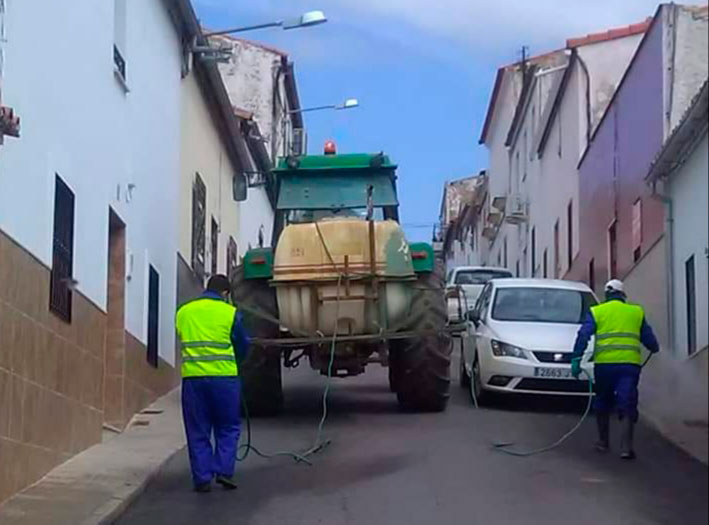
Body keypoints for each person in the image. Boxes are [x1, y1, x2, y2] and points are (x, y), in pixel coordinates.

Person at [175, 274, 250, 492]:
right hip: (224, 380)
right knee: (227, 426)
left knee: (197, 430)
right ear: (226, 293)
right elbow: (242, 344)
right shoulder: (230, 313)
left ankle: (202, 478)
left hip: (193, 381)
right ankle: (224, 471)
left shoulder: (184, 312)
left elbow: (182, 337)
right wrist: (235, 361)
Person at [570, 279, 660, 460]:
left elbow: (583, 334)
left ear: (606, 295)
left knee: (602, 401)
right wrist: (654, 347)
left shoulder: (597, 311)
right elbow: (649, 338)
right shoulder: (635, 312)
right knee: (627, 401)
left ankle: (603, 442)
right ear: (623, 295)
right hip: (629, 366)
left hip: (604, 366)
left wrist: (576, 358)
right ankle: (626, 448)